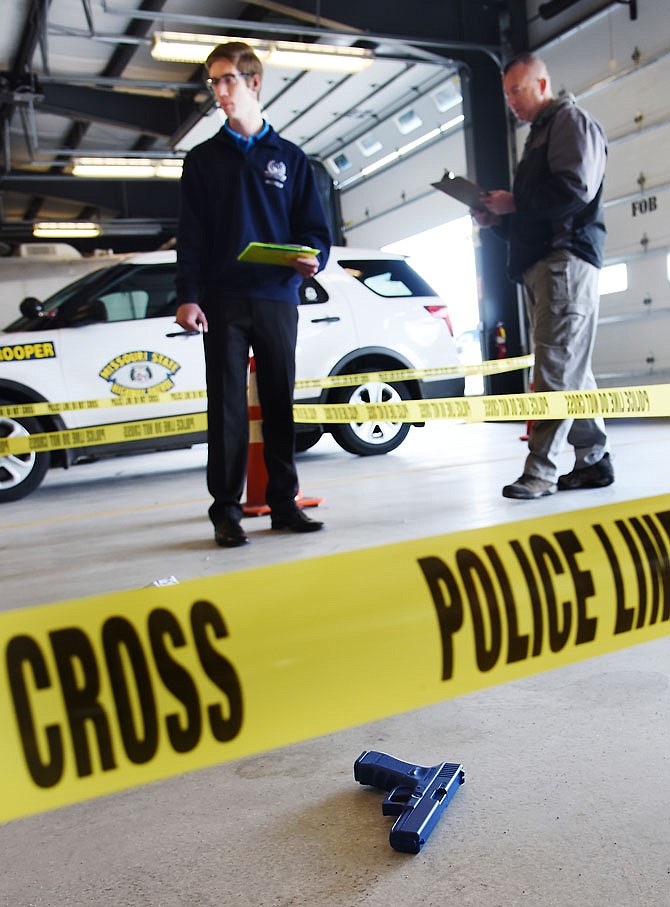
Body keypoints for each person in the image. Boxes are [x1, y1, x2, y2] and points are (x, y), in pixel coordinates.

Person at [175, 41, 332, 546]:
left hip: (276, 295)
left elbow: (315, 229)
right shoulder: (202, 161)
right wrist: (188, 295)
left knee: (279, 402)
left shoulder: (291, 159)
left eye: (228, 81)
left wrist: (314, 258)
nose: (219, 91)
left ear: (254, 83)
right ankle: (226, 511)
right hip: (221, 299)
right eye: (213, 82)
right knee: (225, 408)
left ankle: (284, 505)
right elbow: (192, 234)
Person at [473, 52, 614, 500]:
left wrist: (513, 203)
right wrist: (502, 222)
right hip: (544, 262)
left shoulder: (569, 122)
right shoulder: (538, 136)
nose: (511, 100)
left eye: (517, 89)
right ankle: (592, 460)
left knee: (554, 369)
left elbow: (574, 190)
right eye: (506, 93)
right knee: (571, 366)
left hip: (564, 261)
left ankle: (541, 471)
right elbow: (539, 210)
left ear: (542, 83)